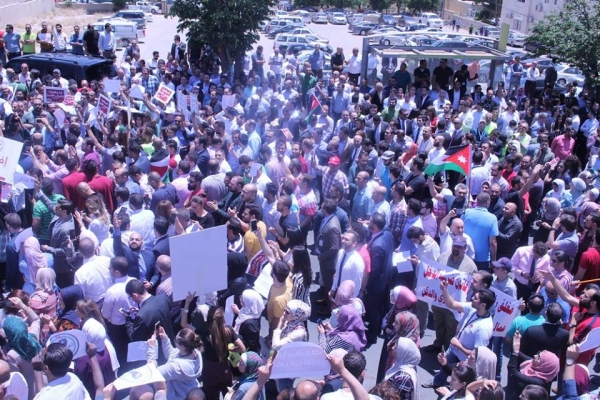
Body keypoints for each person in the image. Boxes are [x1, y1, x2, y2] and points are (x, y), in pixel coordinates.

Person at [376, 286, 419, 383]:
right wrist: (386, 328)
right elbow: (385, 318)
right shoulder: (397, 306)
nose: (391, 295)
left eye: (394, 295)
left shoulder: (408, 318)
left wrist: (393, 333)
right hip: (391, 340)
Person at [147, 326, 203, 399]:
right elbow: (172, 354)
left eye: (175, 340)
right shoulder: (195, 352)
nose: (174, 340)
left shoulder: (177, 367)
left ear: (182, 347)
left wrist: (152, 348)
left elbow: (153, 374)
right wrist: (165, 339)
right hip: (187, 391)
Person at [507, 331, 559, 399]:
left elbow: (513, 372)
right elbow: (518, 353)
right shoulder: (536, 365)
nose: (535, 356)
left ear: (545, 365)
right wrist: (516, 342)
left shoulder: (539, 382)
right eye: (538, 353)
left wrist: (515, 352)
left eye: (539, 358)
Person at [232, 289, 264, 354]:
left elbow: (250, 344)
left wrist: (234, 334)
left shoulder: (249, 324)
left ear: (249, 302)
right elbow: (247, 315)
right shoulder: (254, 311)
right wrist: (238, 312)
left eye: (243, 298)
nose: (240, 298)